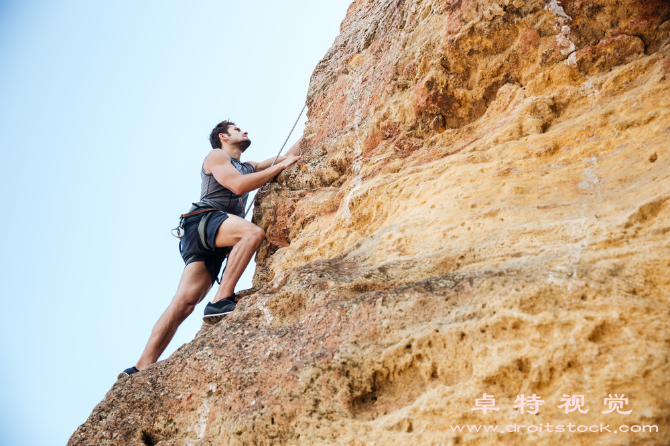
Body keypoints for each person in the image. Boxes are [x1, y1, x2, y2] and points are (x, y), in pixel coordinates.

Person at [118, 120, 301, 379]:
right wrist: (280, 167)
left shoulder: (248, 166)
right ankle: (220, 300)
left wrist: (311, 129)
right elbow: (238, 185)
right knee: (252, 233)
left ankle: (139, 367)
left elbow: (285, 157)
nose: (245, 131)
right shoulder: (217, 155)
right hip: (204, 220)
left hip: (208, 234)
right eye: (238, 129)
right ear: (223, 136)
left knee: (184, 303)